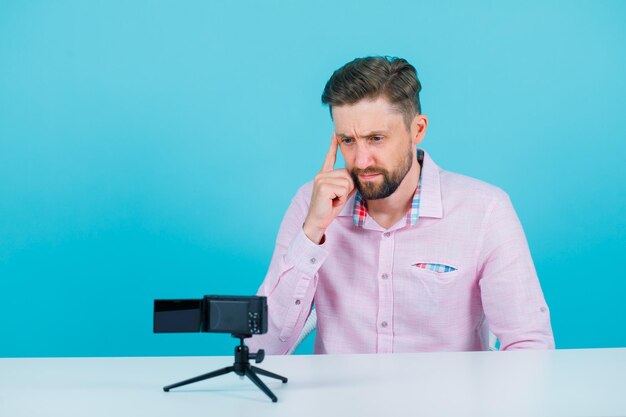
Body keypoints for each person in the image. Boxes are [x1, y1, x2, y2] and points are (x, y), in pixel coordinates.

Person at [248, 56, 554, 354]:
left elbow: (529, 345)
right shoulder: (311, 204)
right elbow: (261, 347)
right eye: (348, 141)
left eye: (377, 138)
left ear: (417, 130)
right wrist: (312, 232)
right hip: (339, 405)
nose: (362, 161)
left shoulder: (485, 210)